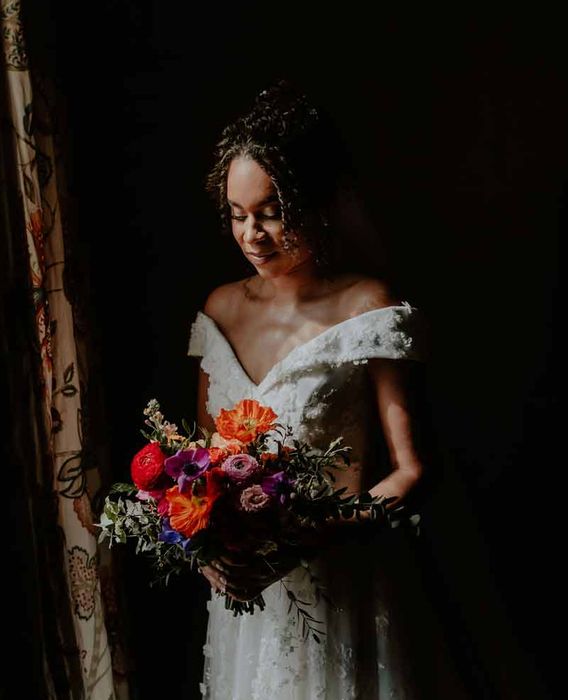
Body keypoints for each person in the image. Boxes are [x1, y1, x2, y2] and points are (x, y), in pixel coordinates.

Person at [186, 79, 473, 699]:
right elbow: (197, 463)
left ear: (317, 204)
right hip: (247, 606)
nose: (251, 235)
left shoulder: (366, 307)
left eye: (271, 212)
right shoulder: (219, 309)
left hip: (345, 591)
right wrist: (202, 541)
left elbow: (412, 473)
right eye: (237, 216)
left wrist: (309, 537)